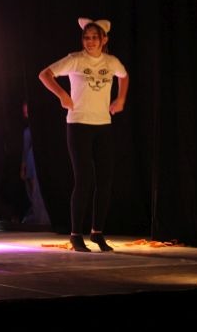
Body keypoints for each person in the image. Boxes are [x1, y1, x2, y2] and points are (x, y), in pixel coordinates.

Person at [38, 17, 128, 252]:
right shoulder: (75, 60)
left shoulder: (111, 62)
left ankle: (97, 232)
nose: (90, 41)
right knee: (84, 179)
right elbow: (45, 74)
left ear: (104, 40)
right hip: (78, 124)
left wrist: (120, 99)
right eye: (86, 37)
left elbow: (124, 75)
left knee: (105, 181)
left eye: (94, 37)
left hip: (103, 125)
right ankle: (76, 234)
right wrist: (62, 95)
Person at [20, 102, 50, 225]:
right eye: (25, 112)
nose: (26, 115)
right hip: (31, 161)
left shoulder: (38, 129)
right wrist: (23, 166)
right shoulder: (28, 130)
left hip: (36, 160)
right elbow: (25, 149)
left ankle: (42, 217)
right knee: (33, 191)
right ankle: (38, 215)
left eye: (27, 112)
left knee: (38, 190)